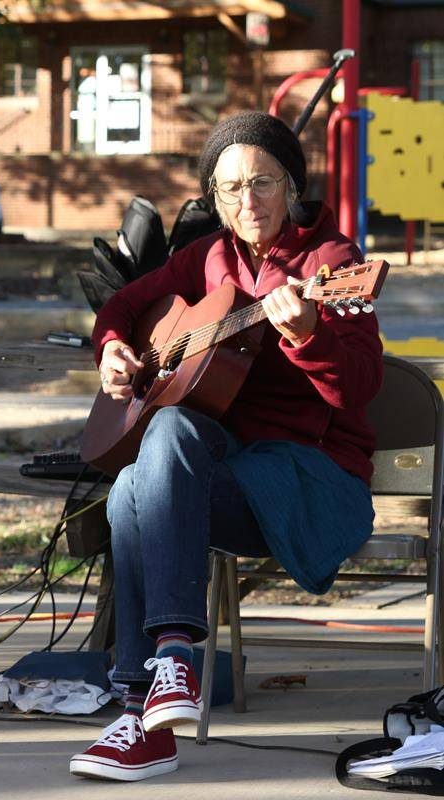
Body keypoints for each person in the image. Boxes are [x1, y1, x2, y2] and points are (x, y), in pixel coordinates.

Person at [69, 111, 381, 782]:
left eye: (262, 182)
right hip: (222, 478)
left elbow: (358, 386)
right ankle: (145, 707)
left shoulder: (332, 263)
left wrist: (307, 336)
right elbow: (121, 306)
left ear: (290, 185)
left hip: (311, 482)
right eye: (229, 187)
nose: (247, 201)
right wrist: (114, 349)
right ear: (211, 197)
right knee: (132, 481)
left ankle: (161, 670)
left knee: (170, 438)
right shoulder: (206, 257)